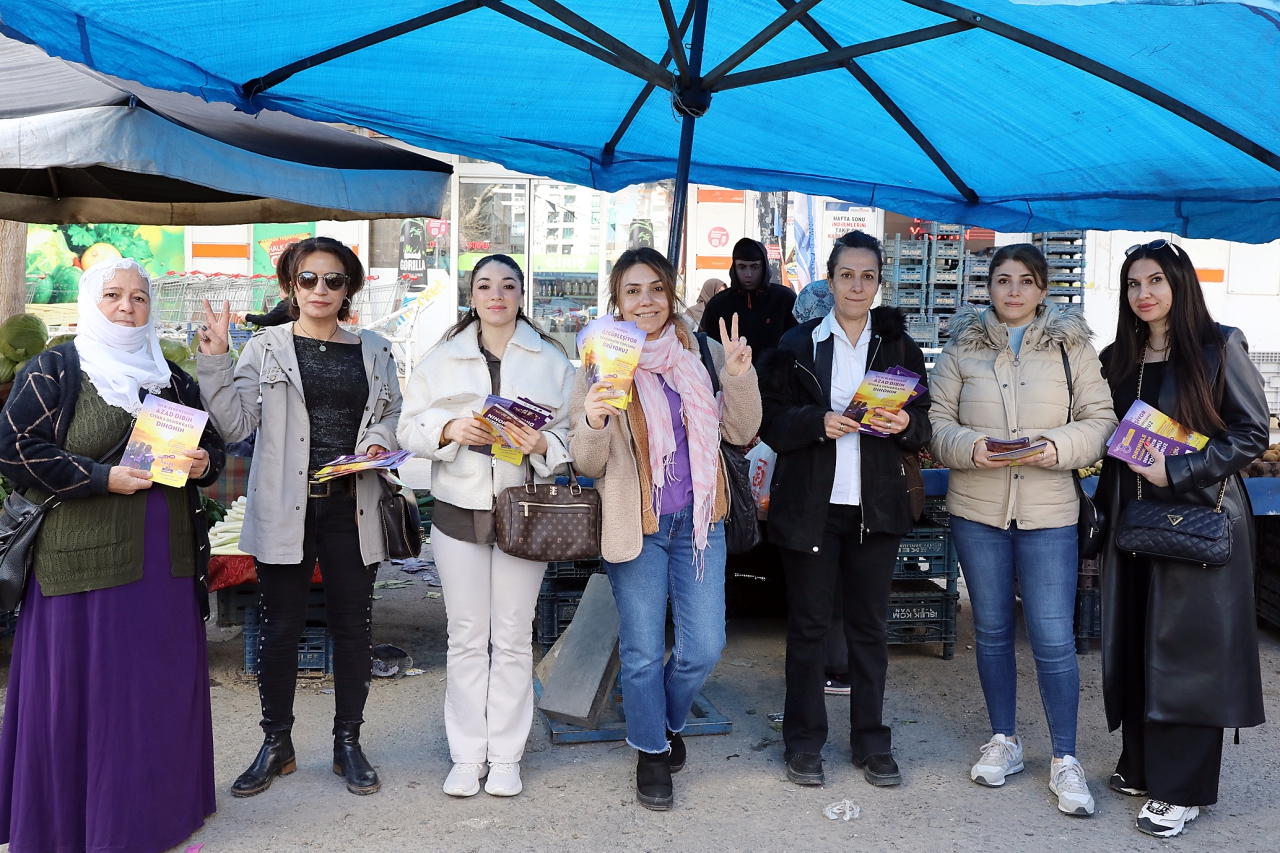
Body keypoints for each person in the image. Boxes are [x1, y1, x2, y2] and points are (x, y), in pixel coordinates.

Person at [0, 258, 224, 853]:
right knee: (92, 689)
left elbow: (211, 449)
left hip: (164, 558)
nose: (128, 307)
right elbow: (14, 448)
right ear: (88, 301)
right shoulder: (56, 369)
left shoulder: (169, 377)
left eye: (140, 297)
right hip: (82, 563)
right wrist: (102, 477)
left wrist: (205, 464)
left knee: (155, 684)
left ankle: (159, 811)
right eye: (113, 295)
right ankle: (82, 820)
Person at [196, 236, 402, 798]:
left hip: (351, 506)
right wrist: (214, 359)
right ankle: (276, 742)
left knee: (353, 629)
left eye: (333, 280)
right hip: (284, 508)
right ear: (291, 285)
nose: (320, 289)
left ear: (349, 288)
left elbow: (391, 414)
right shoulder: (265, 349)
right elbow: (236, 427)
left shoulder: (375, 349)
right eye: (309, 279)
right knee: (281, 628)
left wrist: (380, 442)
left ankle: (348, 742)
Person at [569, 246, 760, 811]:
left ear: (670, 293)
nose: (646, 300)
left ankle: (668, 721)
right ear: (617, 301)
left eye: (655, 288)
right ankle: (651, 750)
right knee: (644, 652)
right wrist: (597, 415)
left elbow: (740, 430)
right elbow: (586, 462)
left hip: (700, 522)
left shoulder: (693, 351)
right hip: (639, 525)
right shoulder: (598, 363)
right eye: (633, 291)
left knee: (705, 646)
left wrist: (737, 377)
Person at [928, 243, 1116, 816]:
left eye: (1026, 281)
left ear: (1042, 290)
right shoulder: (961, 347)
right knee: (989, 630)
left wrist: (1054, 447)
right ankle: (1004, 740)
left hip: (1049, 513)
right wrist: (972, 447)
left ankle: (1065, 757)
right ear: (988, 286)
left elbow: (1100, 419)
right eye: (1003, 279)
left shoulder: (1071, 347)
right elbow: (937, 424)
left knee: (1054, 638)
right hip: (977, 510)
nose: (1014, 291)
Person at [1096, 240, 1267, 838]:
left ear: (1180, 284)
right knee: (1139, 641)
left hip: (1200, 524)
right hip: (1133, 524)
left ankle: (1184, 789)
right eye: (1133, 284)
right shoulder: (1119, 357)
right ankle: (1143, 765)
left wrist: (1178, 470)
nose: (1144, 294)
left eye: (1156, 282)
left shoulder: (1219, 347)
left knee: (1189, 657)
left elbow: (1251, 434)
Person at [398, 254, 575, 799]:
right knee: (468, 636)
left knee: (516, 636)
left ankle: (506, 755)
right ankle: (466, 754)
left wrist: (542, 443)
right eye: (484, 285)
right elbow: (408, 427)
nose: (496, 294)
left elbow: (576, 440)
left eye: (507, 285)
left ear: (522, 293)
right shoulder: (441, 359)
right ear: (471, 295)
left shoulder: (551, 362)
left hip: (526, 514)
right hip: (458, 512)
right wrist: (449, 427)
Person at [759, 230, 931, 789]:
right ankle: (804, 744)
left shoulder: (899, 348)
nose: (857, 285)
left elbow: (923, 424)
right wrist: (818, 423)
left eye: (867, 276)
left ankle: (871, 744)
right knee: (808, 629)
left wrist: (906, 424)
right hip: (812, 507)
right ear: (829, 281)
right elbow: (772, 422)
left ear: (878, 284)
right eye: (847, 275)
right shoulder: (796, 344)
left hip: (875, 509)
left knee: (869, 631)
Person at [700, 238, 797, 354]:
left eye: (755, 267)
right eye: (742, 267)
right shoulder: (717, 304)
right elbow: (705, 348)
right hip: (729, 371)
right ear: (734, 268)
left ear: (764, 267)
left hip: (776, 371)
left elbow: (797, 345)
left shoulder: (784, 299)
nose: (748, 274)